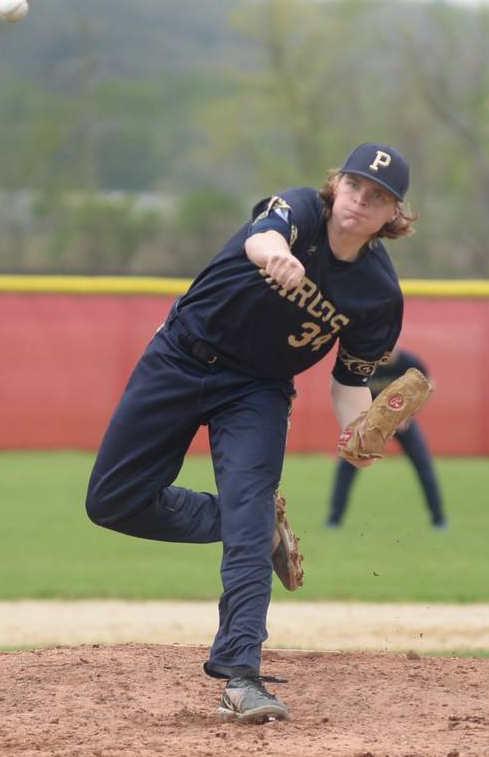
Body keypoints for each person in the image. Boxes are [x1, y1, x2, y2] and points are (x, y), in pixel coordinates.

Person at [86, 142, 417, 724]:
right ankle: (256, 524)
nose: (361, 202)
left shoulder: (378, 295)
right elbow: (261, 237)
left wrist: (359, 434)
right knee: (112, 501)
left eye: (379, 198)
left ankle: (242, 676)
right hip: (180, 355)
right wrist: (274, 256)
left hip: (257, 390)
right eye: (356, 187)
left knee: (247, 515)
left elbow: (349, 381)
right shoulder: (299, 212)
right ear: (337, 186)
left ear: (393, 215)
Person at [325, 346, 447, 529]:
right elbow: (350, 389)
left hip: (403, 423)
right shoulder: (369, 363)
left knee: (423, 464)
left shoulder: (408, 362)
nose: (388, 351)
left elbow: (430, 384)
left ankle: (439, 520)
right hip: (369, 426)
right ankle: (334, 520)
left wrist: (408, 414)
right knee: (348, 463)